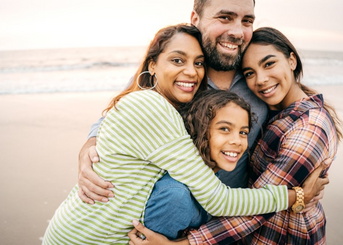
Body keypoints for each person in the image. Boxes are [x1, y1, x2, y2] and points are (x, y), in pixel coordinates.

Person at [43, 24, 315, 245]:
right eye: (177, 60)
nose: (191, 72)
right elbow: (217, 199)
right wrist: (296, 196)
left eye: (198, 63)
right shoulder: (152, 109)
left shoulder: (152, 103)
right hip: (84, 238)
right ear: (152, 66)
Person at [127, 27, 342, 245]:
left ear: (292, 61)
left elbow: (259, 205)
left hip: (279, 235)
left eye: (269, 64)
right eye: (249, 73)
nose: (261, 80)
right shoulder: (278, 109)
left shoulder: (309, 126)